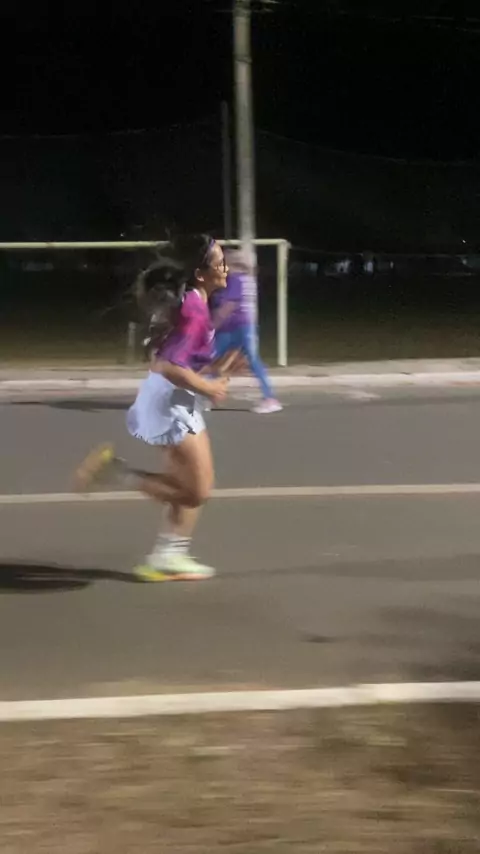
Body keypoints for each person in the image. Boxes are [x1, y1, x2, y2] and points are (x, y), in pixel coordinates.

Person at [73, 234, 238, 582]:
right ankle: (116, 474)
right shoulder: (194, 309)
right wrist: (209, 386)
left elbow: (180, 359)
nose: (226, 267)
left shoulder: (192, 302)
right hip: (168, 405)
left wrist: (215, 372)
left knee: (188, 484)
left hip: (174, 401)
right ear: (200, 273)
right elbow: (166, 365)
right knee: (195, 492)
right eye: (220, 262)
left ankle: (169, 555)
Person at [210, 248, 282, 414]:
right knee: (213, 358)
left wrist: (213, 325)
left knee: (212, 357)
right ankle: (210, 394)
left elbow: (228, 306)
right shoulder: (245, 279)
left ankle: (270, 399)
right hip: (239, 327)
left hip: (237, 327)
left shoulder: (236, 279)